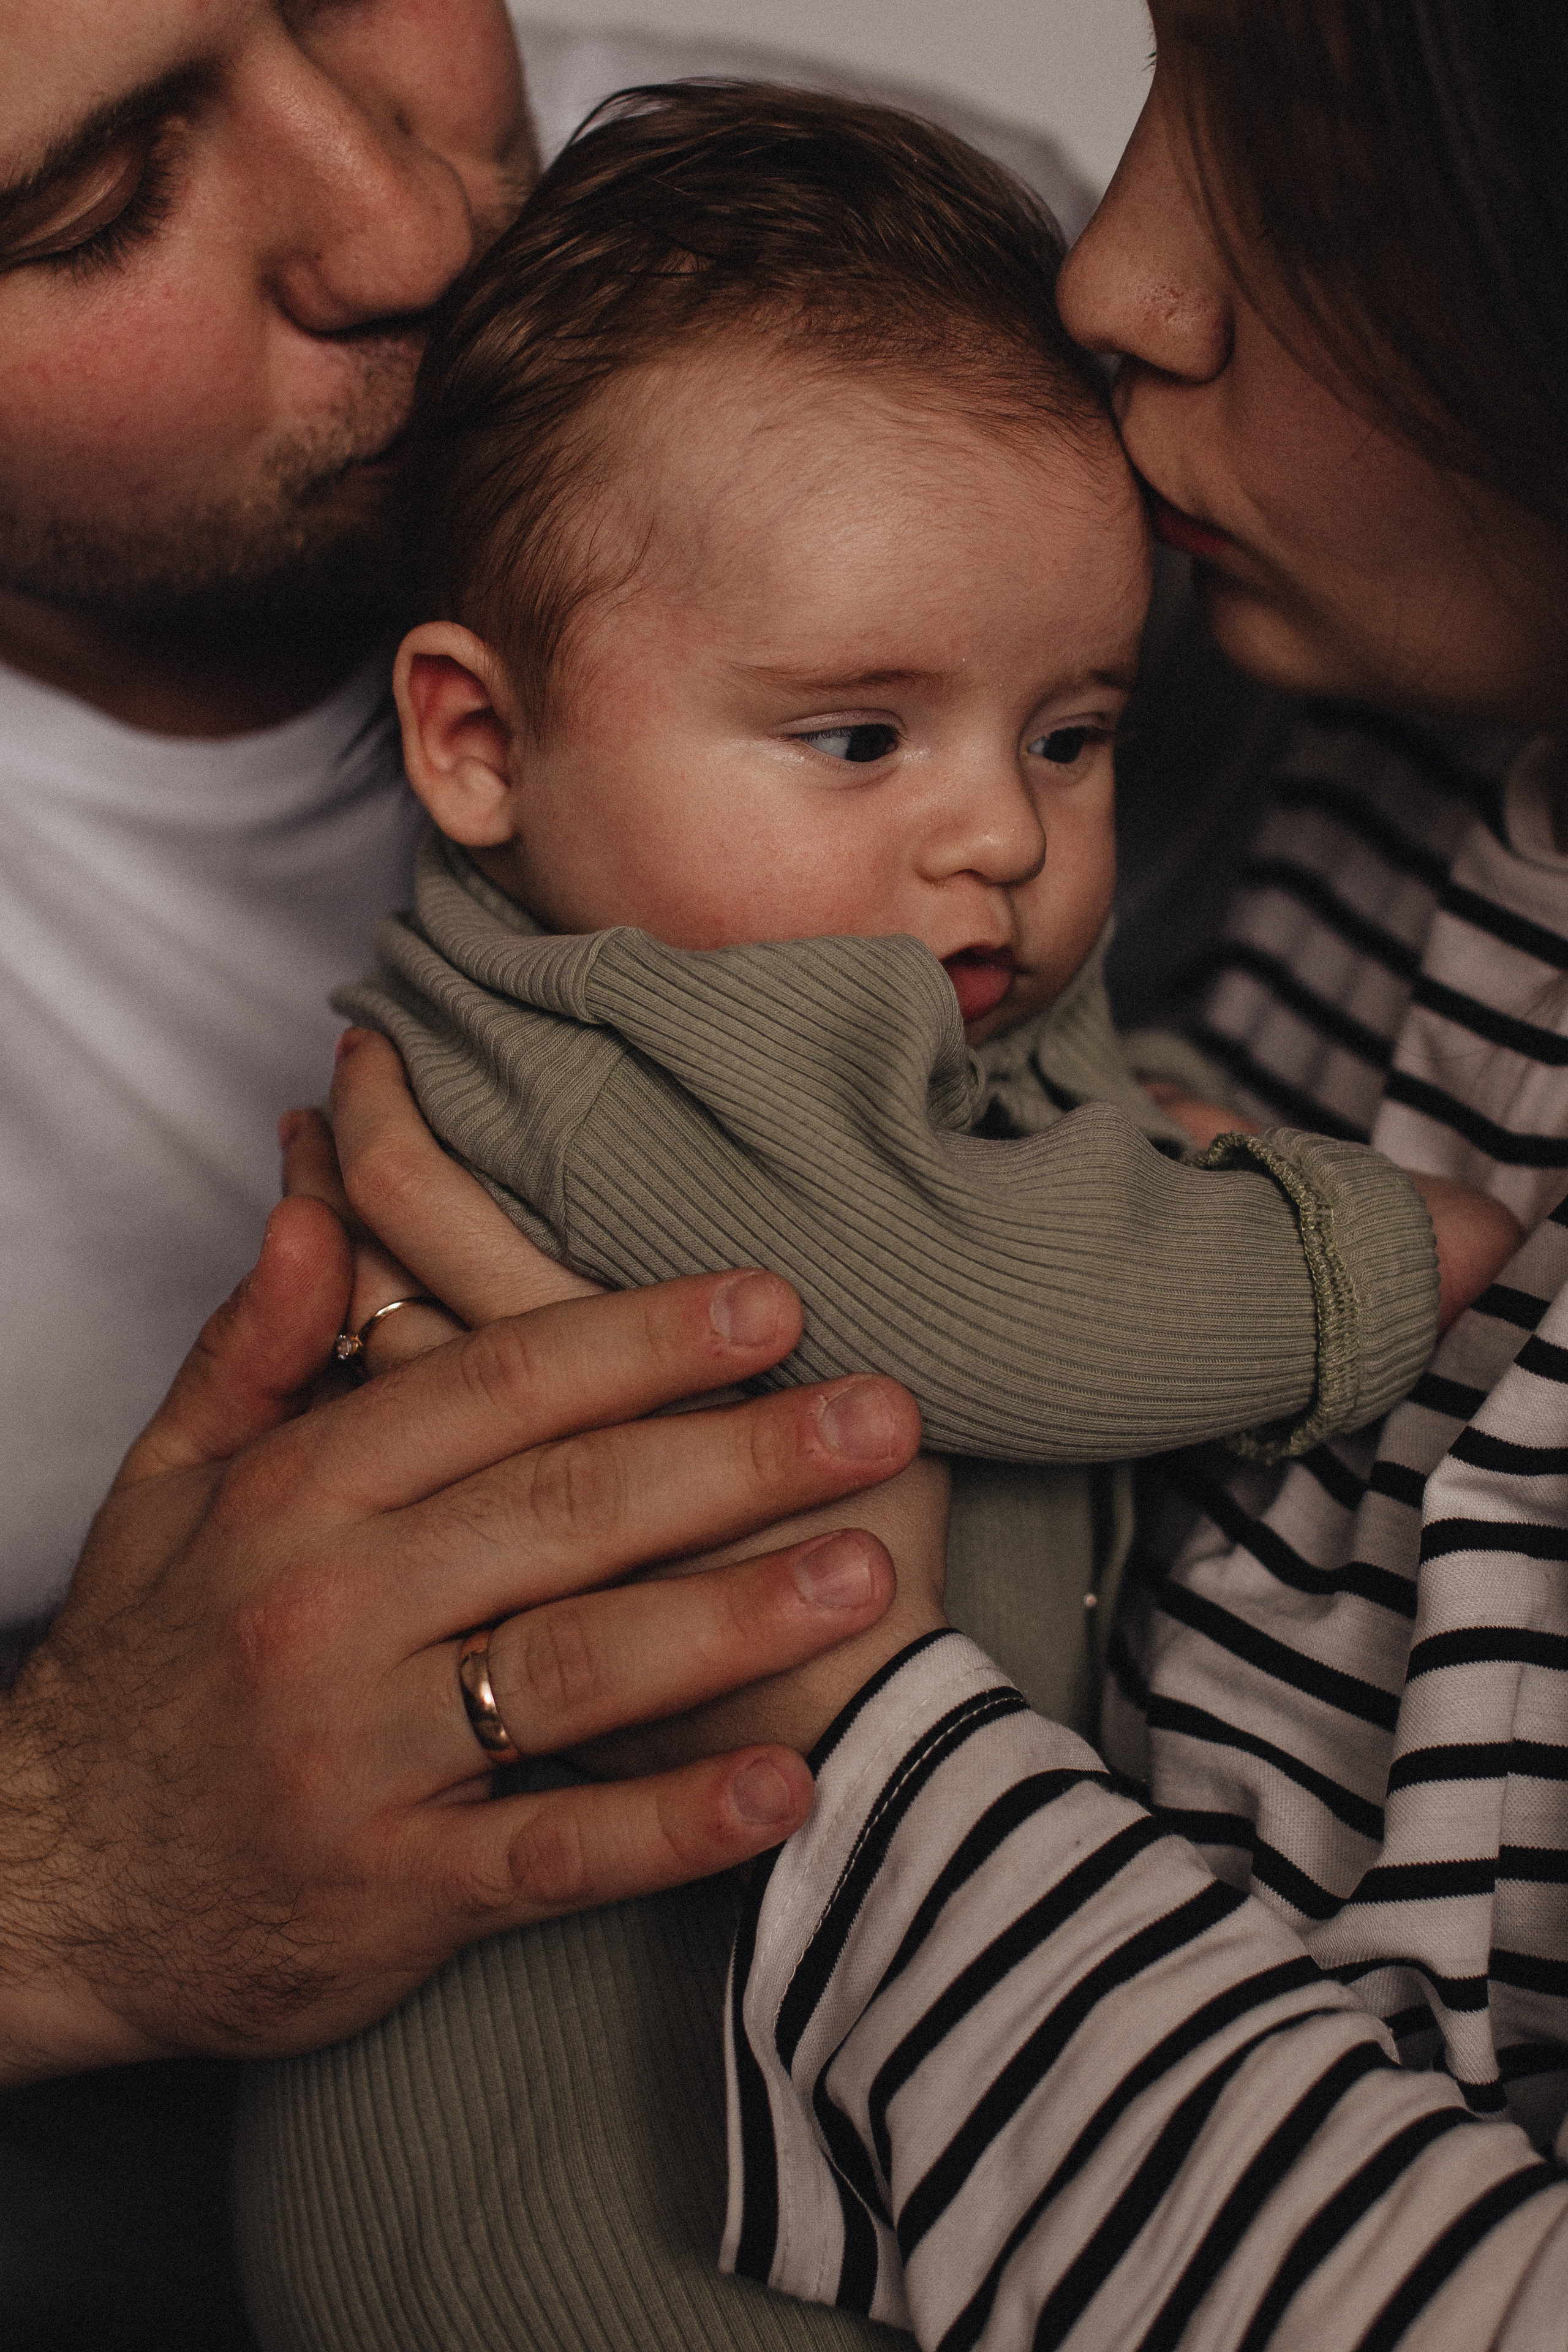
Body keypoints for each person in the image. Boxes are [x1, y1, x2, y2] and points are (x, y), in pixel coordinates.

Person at [237, 2, 1568, 2347]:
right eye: (861, 737)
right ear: (474, 739)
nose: (998, 832)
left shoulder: (816, 925)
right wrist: (1364, 1253)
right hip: (570, 2179)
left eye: (1077, 734)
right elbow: (965, 1289)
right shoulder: (643, 1023)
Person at [0, 9, 1091, 2345]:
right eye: (85, 207)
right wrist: (64, 1880)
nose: (412, 223)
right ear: (463, 738)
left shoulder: (934, 296)